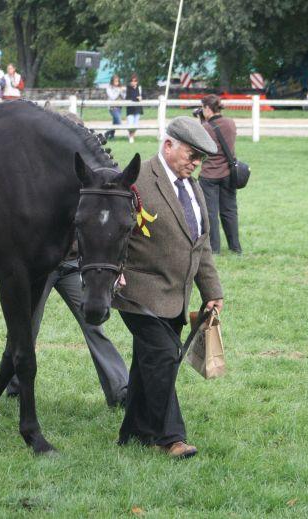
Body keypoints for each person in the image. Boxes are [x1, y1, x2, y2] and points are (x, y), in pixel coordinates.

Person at [114, 116, 224, 459]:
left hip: (176, 297)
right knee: (162, 358)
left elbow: (200, 244)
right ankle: (171, 437)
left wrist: (212, 291)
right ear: (168, 145)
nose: (194, 164)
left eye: (200, 159)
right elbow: (110, 230)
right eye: (190, 155)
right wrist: (115, 270)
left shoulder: (192, 187)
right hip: (138, 293)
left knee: (148, 360)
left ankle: (133, 431)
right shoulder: (137, 180)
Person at [6, 243, 129, 407]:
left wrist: (118, 270)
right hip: (42, 265)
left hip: (74, 265)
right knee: (27, 327)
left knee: (94, 325)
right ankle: (16, 386)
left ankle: (120, 392)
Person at [199, 94, 242, 255]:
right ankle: (235, 246)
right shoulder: (230, 123)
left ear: (208, 109)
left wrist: (201, 123)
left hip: (210, 174)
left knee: (211, 213)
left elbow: (201, 148)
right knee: (229, 210)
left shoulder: (205, 128)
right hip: (229, 174)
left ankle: (214, 248)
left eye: (203, 108)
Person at [125, 74, 143, 144]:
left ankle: (132, 136)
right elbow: (127, 97)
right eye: (132, 81)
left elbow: (143, 95)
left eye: (135, 81)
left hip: (138, 108)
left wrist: (141, 98)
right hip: (130, 109)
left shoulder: (139, 88)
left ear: (137, 81)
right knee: (130, 123)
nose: (133, 82)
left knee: (136, 124)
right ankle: (131, 136)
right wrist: (136, 98)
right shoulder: (128, 88)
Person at [105, 74, 124, 140]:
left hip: (119, 107)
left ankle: (111, 135)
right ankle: (108, 132)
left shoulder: (119, 87)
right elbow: (113, 97)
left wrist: (123, 91)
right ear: (112, 81)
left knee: (115, 122)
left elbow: (124, 97)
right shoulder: (109, 88)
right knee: (118, 122)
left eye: (118, 81)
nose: (117, 83)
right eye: (115, 81)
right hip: (112, 107)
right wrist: (118, 90)